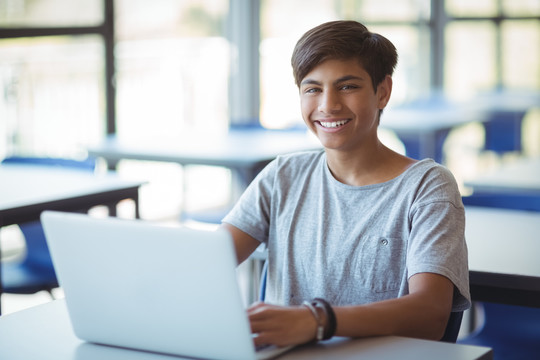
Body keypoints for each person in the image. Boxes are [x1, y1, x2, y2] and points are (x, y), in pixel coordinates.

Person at [220, 20, 470, 348]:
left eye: (347, 86)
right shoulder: (282, 176)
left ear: (382, 92)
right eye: (312, 89)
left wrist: (318, 322)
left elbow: (430, 315)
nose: (328, 105)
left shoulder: (428, 186)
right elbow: (208, 263)